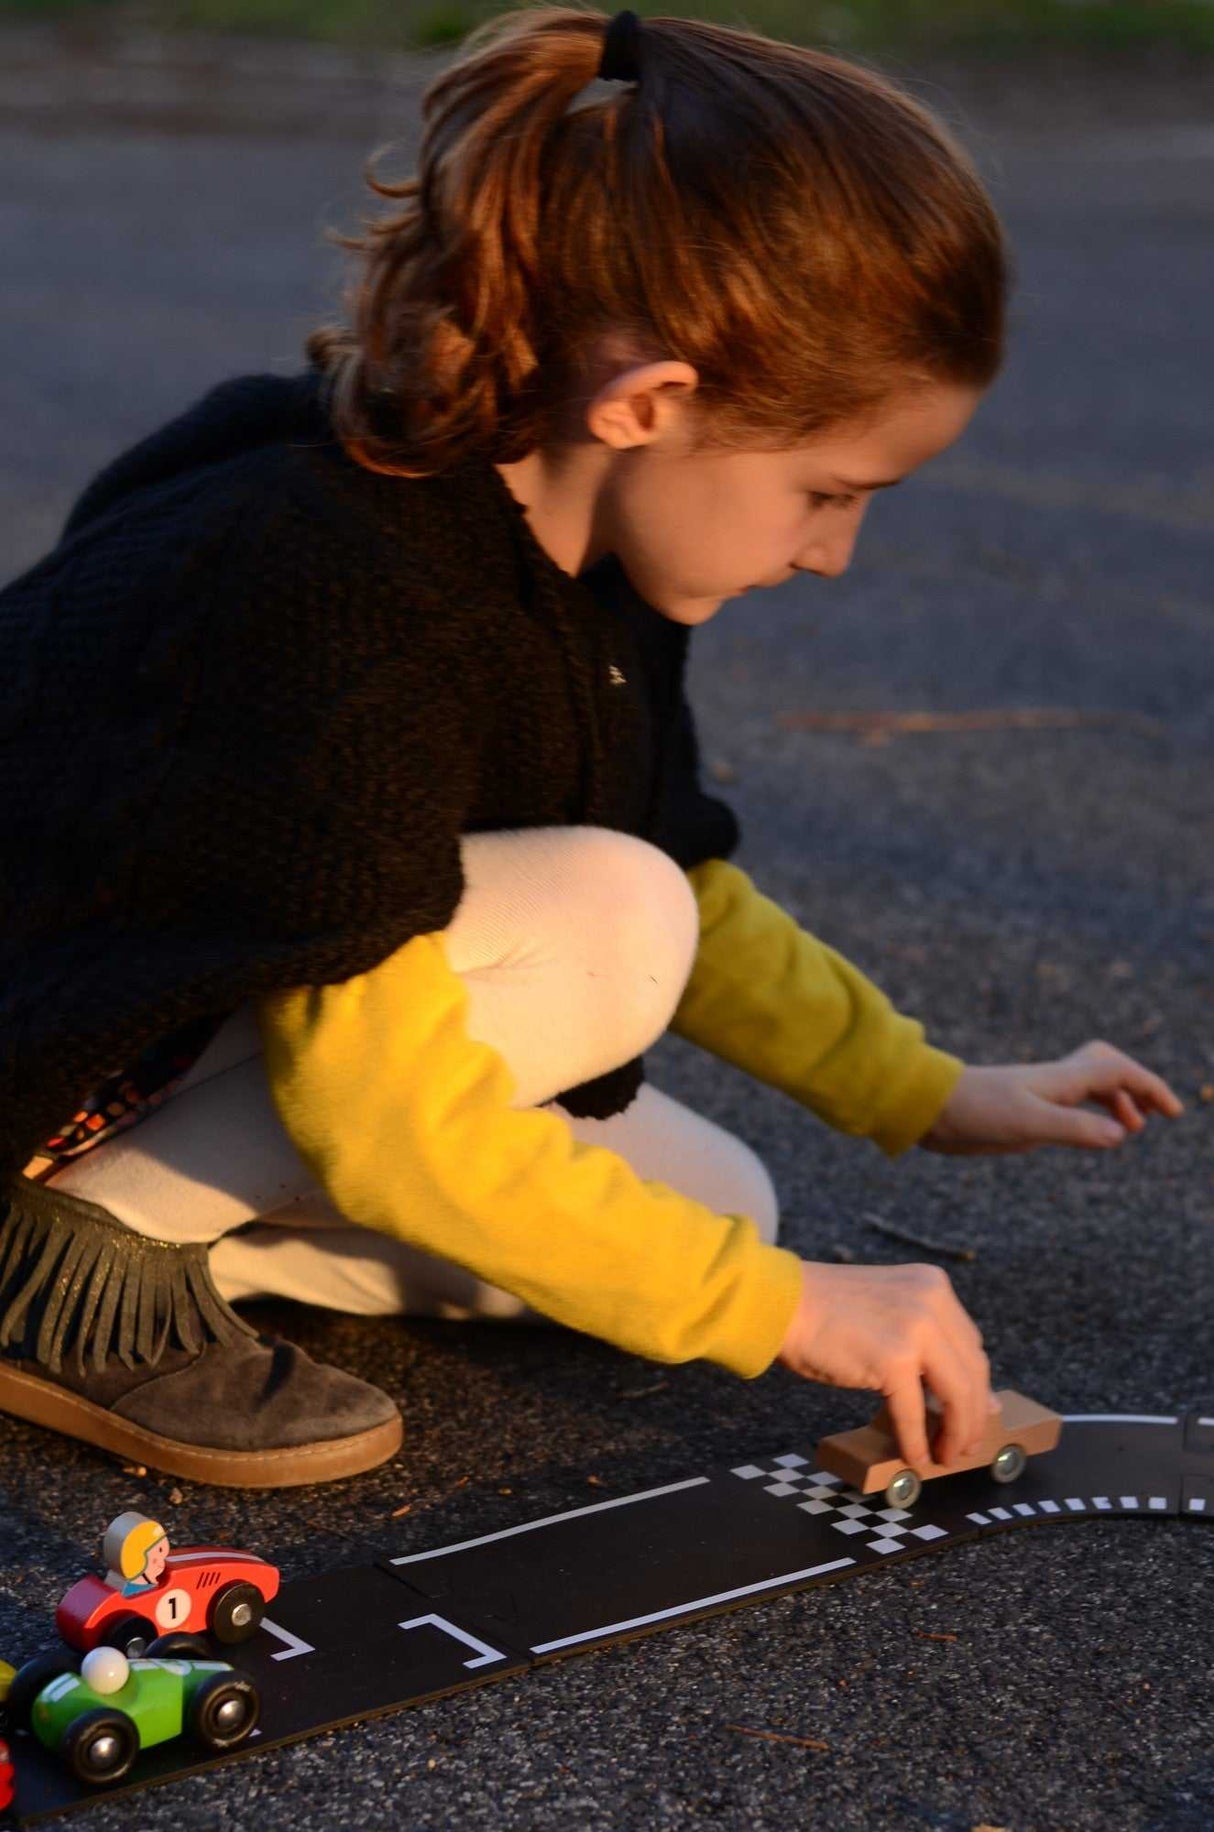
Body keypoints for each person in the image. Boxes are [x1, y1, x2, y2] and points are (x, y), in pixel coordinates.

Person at [0, 8, 1183, 1490]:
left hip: (185, 1034)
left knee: (722, 1204)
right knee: (614, 937)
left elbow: (685, 870)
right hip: (41, 1058)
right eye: (826, 491)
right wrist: (794, 1314)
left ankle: (161, 1235)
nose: (835, 555)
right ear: (649, 401)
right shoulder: (338, 589)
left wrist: (928, 1091)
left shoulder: (585, 554)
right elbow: (410, 1080)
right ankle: (63, 1271)